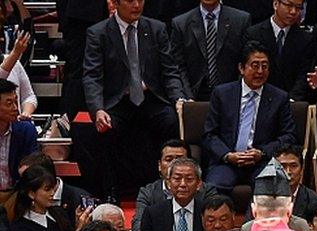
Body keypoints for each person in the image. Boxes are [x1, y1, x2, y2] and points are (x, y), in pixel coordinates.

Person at [82, 0, 185, 196]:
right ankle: (110, 192)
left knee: (172, 120)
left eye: (140, 0)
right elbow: (92, 76)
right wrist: (98, 109)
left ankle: (167, 187)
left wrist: (178, 100)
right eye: (130, 1)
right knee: (105, 128)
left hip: (151, 97)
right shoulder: (98, 33)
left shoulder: (156, 28)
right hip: (118, 100)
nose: (137, 5)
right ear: (115, 3)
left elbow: (170, 71)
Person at [202, 42, 297, 210]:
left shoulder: (279, 98)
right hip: (227, 162)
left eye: (265, 66)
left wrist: (262, 153)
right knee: (214, 188)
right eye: (255, 66)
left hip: (262, 161)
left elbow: (288, 136)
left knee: (270, 190)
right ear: (241, 68)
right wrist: (227, 155)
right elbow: (209, 135)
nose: (260, 71)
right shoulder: (222, 94)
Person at [170, 0, 252, 101]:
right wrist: (186, 97)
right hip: (195, 93)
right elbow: (178, 67)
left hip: (231, 92)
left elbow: (245, 61)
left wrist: (237, 93)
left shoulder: (241, 20)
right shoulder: (180, 23)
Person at [139, 157, 205, 231]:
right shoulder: (153, 213)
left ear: (199, 184)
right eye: (177, 179)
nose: (183, 184)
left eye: (189, 179)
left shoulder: (205, 211)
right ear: (168, 183)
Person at [241, 0, 312, 97]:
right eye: (289, 5)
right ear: (275, 4)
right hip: (259, 97)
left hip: (291, 101)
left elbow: (304, 75)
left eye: (298, 8)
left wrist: (291, 100)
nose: (293, 12)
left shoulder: (305, 39)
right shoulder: (253, 33)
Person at [272, 144, 317, 222]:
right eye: (282, 166)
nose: (288, 172)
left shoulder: (315, 200)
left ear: (301, 169)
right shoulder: (261, 197)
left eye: (293, 166)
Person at [0, 31, 36, 120]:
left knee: (28, 129)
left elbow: (29, 96)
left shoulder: (15, 63)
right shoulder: (13, 59)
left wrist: (26, 112)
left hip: (17, 125)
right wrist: (16, 53)